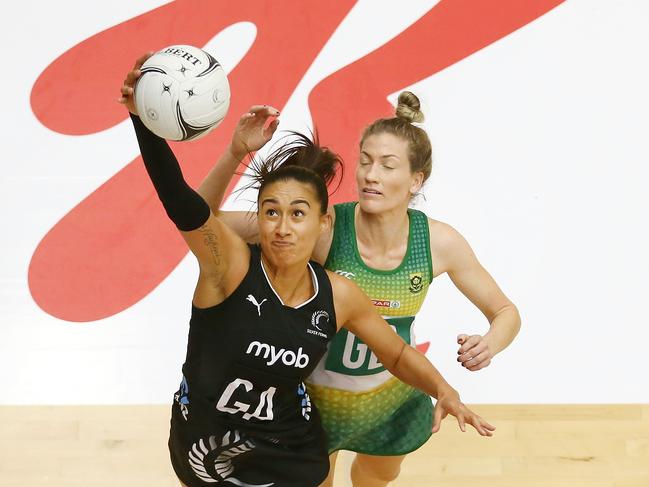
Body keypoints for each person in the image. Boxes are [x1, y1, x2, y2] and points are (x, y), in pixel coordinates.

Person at [119, 55, 494, 487]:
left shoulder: (338, 294)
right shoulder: (229, 268)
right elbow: (186, 207)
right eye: (271, 213)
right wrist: (145, 121)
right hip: (204, 437)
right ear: (257, 220)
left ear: (323, 223)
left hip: (289, 440)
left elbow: (396, 353)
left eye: (298, 214)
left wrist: (444, 390)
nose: (282, 227)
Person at [192, 87, 521, 486]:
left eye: (387, 165)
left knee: (377, 477)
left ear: (416, 180)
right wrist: (233, 153)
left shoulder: (438, 242)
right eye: (365, 161)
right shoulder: (323, 227)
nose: (370, 174)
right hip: (313, 404)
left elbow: (505, 313)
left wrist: (491, 343)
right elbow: (202, 219)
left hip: (391, 401)